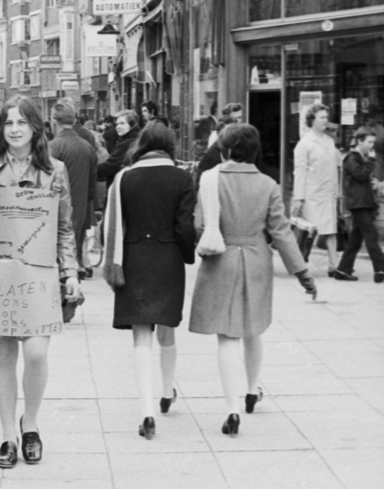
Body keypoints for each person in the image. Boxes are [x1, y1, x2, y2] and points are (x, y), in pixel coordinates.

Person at [0, 96, 81, 468]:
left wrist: (70, 271)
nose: (14, 129)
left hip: (39, 273)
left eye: (21, 123)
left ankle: (31, 423)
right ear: (0, 129)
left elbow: (64, 226)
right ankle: (9, 435)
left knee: (37, 353)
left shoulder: (55, 171)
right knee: (5, 358)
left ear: (34, 128)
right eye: (8, 123)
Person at [189, 123, 315, 438]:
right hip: (257, 260)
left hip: (221, 259)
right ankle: (250, 390)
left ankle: (232, 409)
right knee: (253, 326)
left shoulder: (209, 180)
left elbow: (199, 224)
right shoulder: (269, 185)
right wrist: (302, 272)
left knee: (227, 337)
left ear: (226, 149)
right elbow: (282, 233)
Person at [101, 122, 196, 439]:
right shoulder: (182, 178)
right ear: (169, 144)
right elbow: (185, 228)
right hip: (168, 260)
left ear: (142, 144)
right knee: (167, 330)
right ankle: (167, 391)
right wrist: (186, 254)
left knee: (141, 336)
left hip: (134, 260)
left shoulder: (124, 178)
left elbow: (113, 222)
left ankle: (146, 411)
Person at [331, 127, 384, 283]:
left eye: (373, 142)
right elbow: (360, 175)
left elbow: (361, 178)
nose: (371, 145)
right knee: (371, 234)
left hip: (363, 203)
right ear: (359, 141)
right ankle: (381, 269)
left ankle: (342, 270)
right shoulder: (351, 158)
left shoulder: (360, 158)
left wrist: (373, 183)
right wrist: (371, 161)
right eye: (369, 142)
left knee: (355, 240)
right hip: (358, 204)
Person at [49, 99, 98, 276]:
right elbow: (92, 186)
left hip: (56, 212)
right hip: (80, 207)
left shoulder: (54, 146)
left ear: (54, 121)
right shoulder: (87, 147)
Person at [292, 103, 340, 275]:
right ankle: (298, 263)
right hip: (311, 194)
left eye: (326, 117)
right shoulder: (304, 144)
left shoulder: (329, 141)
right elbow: (299, 172)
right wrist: (298, 198)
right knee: (308, 233)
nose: (326, 121)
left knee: (330, 230)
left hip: (327, 193)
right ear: (312, 120)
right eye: (322, 117)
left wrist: (337, 192)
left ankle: (334, 265)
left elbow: (335, 167)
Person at [97, 110, 141, 188]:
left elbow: (110, 166)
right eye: (117, 124)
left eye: (122, 123)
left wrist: (90, 169)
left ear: (132, 125)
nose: (118, 127)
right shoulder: (135, 139)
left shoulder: (126, 144)